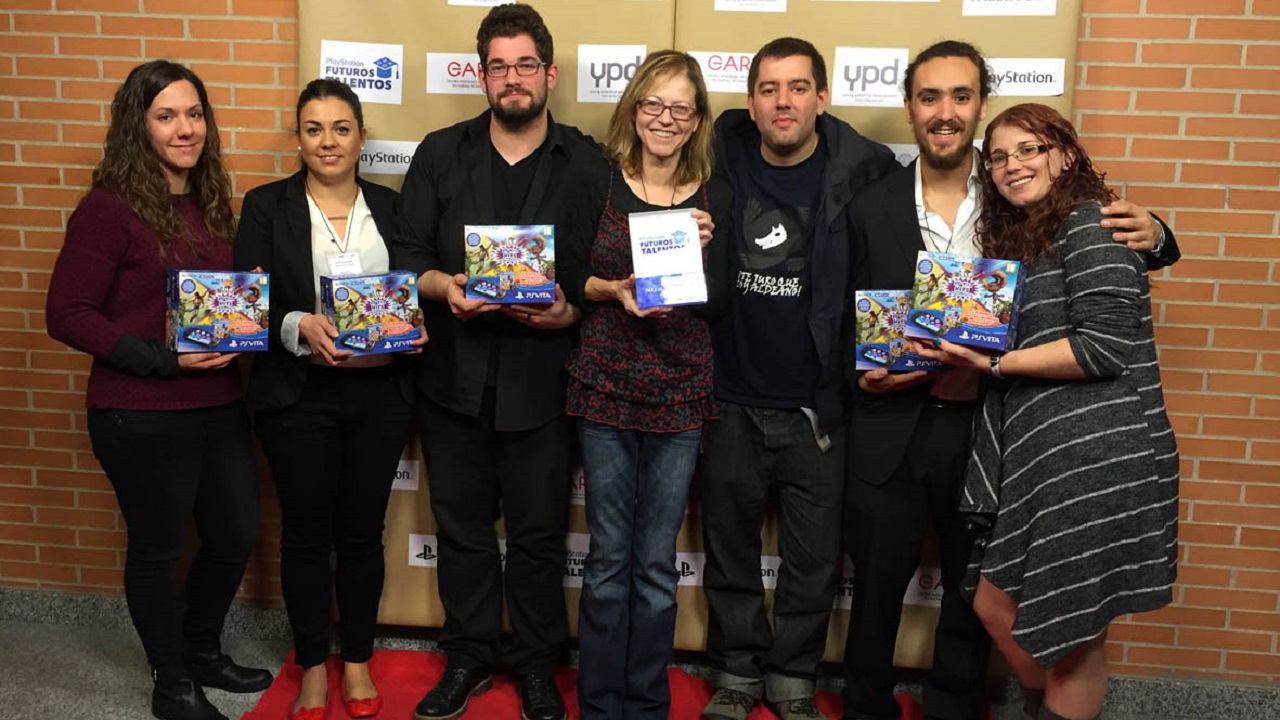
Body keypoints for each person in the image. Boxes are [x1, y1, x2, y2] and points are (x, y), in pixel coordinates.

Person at [843, 41, 1179, 720]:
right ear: (909, 108)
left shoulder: (1017, 199)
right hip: (897, 425)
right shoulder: (872, 201)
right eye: (930, 96)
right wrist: (862, 377)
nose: (945, 111)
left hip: (990, 431)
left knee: (976, 596)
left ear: (979, 106)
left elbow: (1103, 273)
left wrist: (1159, 234)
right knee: (882, 590)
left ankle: (962, 707)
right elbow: (842, 310)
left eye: (961, 96)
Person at [45, 60, 272, 720]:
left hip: (219, 403)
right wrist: (163, 359)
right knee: (158, 550)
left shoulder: (210, 203)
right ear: (137, 126)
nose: (185, 129)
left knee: (234, 534)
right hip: (140, 411)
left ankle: (201, 650)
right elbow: (67, 313)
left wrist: (247, 305)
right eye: (166, 116)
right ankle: (172, 683)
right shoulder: (107, 209)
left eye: (194, 114)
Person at [391, 5, 600, 720]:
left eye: (525, 65)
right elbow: (409, 254)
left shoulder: (588, 163)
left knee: (539, 537)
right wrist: (442, 287)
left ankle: (538, 664)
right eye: (499, 66)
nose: (513, 79)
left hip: (544, 386)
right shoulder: (439, 153)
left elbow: (601, 272)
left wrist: (572, 312)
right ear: (481, 76)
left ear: (550, 73)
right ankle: (469, 657)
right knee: (462, 531)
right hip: (453, 381)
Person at [698, 38, 899, 720]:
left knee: (812, 564)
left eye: (798, 87)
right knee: (729, 555)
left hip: (819, 407)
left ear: (823, 98)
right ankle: (736, 673)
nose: (783, 102)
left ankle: (792, 681)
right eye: (769, 89)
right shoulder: (717, 156)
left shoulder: (865, 172)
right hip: (729, 398)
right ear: (751, 102)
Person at [233, 78, 426, 720]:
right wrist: (297, 324)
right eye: (314, 129)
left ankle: (359, 660)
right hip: (298, 395)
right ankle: (313, 665)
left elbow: (413, 288)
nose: (328, 141)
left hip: (379, 393)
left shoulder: (394, 208)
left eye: (341, 128)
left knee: (363, 533)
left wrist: (415, 326)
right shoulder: (266, 206)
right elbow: (247, 304)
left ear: (362, 136)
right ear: (298, 139)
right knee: (306, 537)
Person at [560, 50, 731, 720]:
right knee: (608, 561)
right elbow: (567, 274)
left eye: (680, 107)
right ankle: (601, 705)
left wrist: (707, 253)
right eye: (654, 103)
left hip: (682, 393)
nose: (665, 118)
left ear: (697, 119)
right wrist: (616, 290)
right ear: (634, 109)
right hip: (605, 385)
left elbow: (728, 301)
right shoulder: (596, 179)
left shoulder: (718, 193)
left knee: (657, 565)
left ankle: (647, 703)